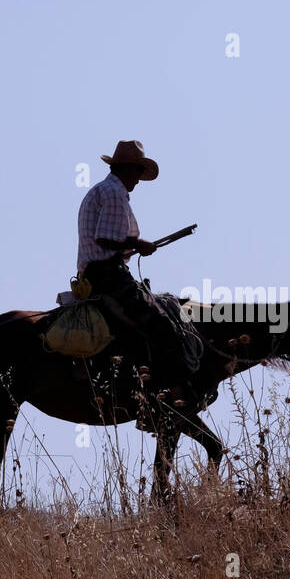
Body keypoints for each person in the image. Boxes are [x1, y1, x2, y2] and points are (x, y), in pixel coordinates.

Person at [76, 140, 199, 406]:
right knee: (162, 321)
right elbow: (105, 238)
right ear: (127, 168)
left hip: (95, 273)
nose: (139, 181)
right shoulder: (114, 193)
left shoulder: (101, 190)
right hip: (107, 274)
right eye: (138, 173)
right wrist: (137, 244)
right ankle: (169, 396)